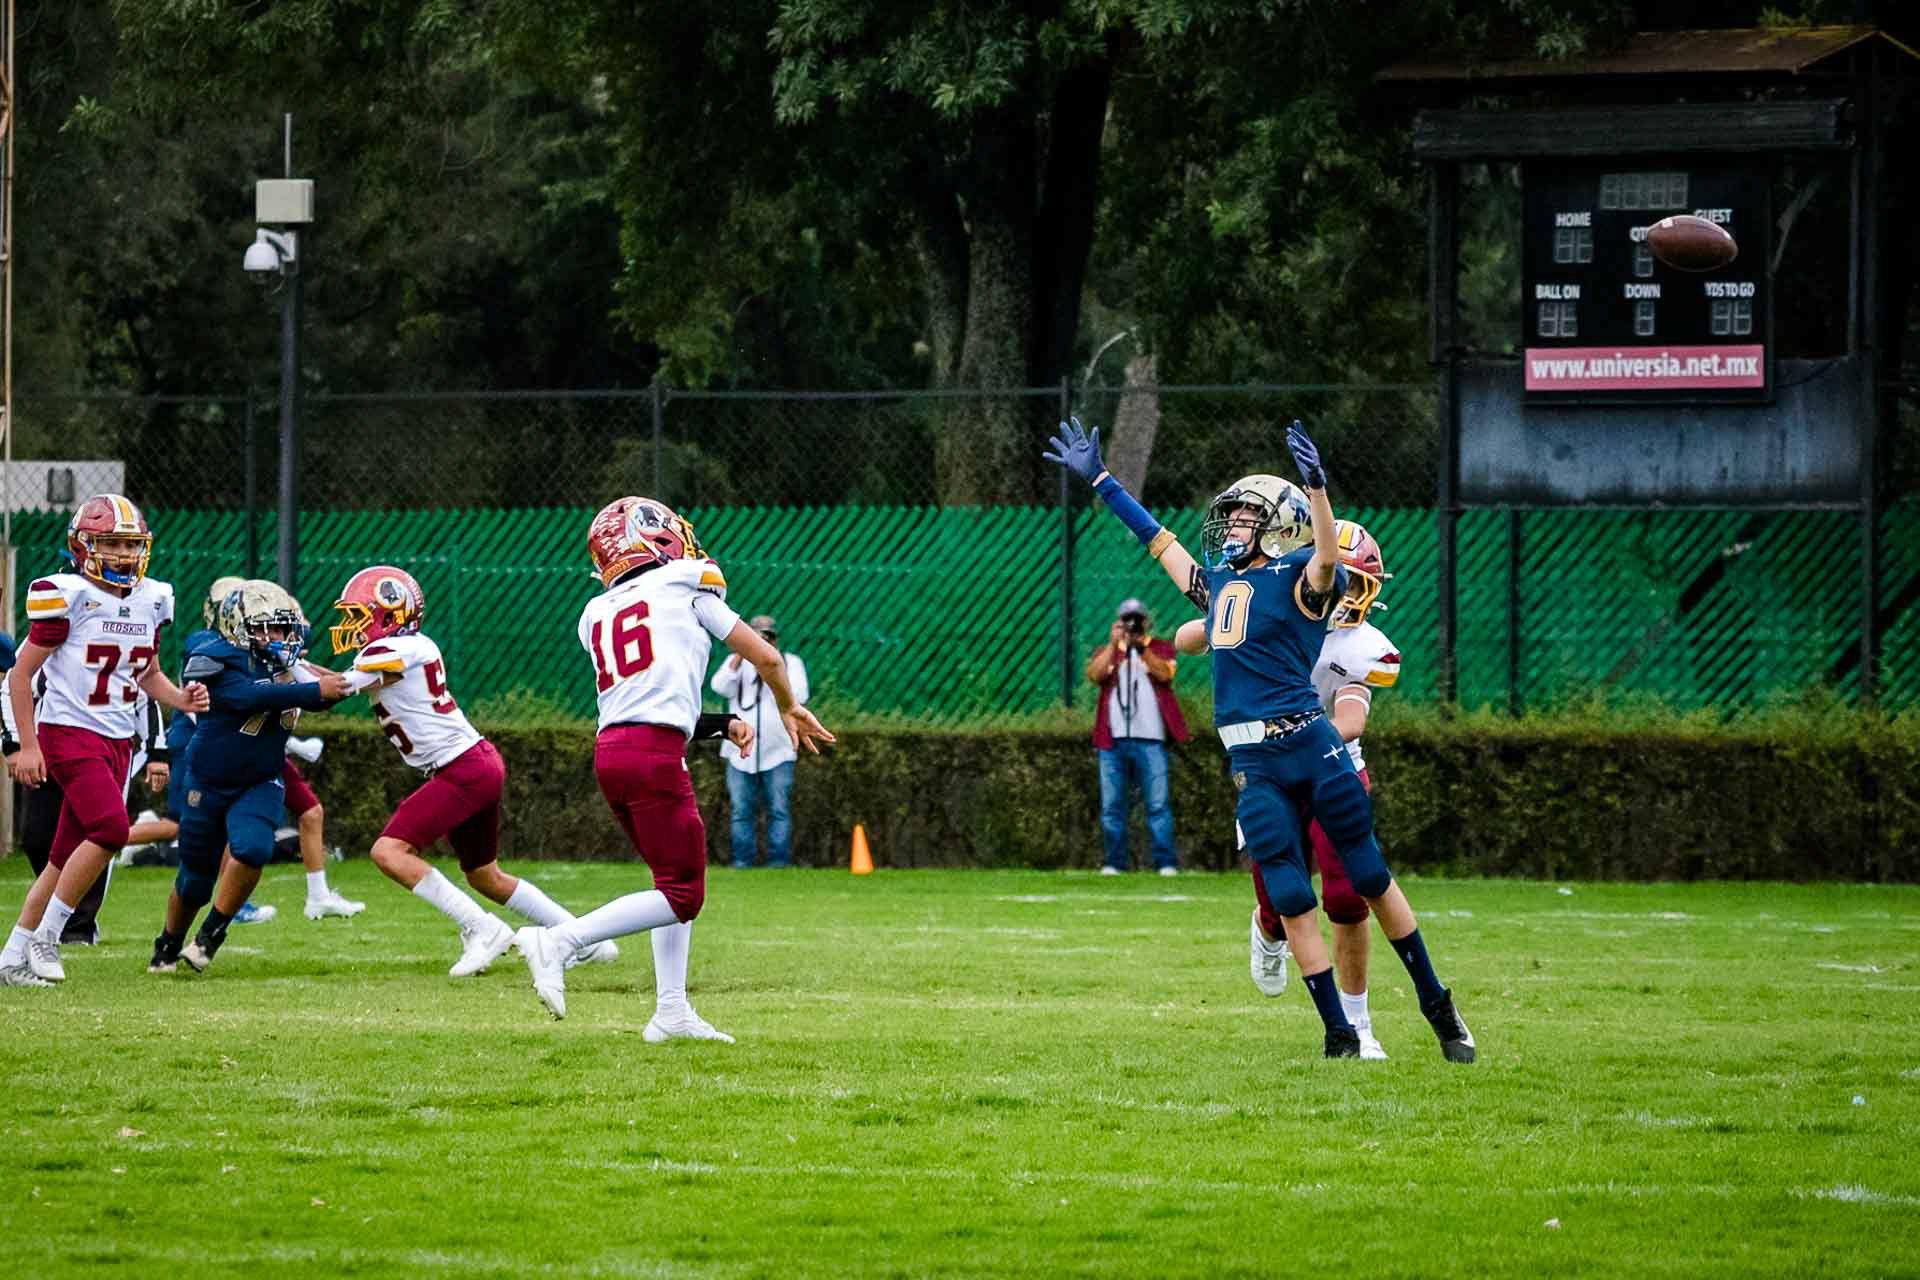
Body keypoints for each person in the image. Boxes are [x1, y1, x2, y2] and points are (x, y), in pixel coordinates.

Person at [1045, 418, 1474, 1063]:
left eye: (1248, 515)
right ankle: (1338, 1034)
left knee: (1367, 875)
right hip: (1252, 759)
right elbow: (1157, 541)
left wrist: (1317, 488)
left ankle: (1437, 1004)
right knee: (1290, 894)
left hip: (1309, 744)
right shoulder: (1220, 585)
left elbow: (1326, 559)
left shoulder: (1302, 577)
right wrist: (1104, 482)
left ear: (1279, 525)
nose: (1233, 524)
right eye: (1234, 514)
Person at [513, 496, 834, 1032]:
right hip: (652, 755)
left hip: (613, 751)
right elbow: (766, 656)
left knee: (668, 882)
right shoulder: (686, 584)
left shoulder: (597, 612)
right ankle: (560, 941)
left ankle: (671, 1010)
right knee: (684, 894)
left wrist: (720, 723)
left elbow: (649, 700)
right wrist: (787, 704)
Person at [328, 564, 612, 976]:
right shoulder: (407, 649)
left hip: (462, 769)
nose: (352, 626)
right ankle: (585, 939)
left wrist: (283, 684)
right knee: (484, 876)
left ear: (390, 613)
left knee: (388, 851)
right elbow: (337, 683)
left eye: (358, 615)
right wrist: (293, 672)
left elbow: (333, 691)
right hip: (473, 764)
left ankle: (482, 929)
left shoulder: (394, 650)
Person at [0, 495, 209, 988]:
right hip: (69, 732)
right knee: (112, 830)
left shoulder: (151, 598)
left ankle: (10, 958)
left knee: (62, 856)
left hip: (118, 739)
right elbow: (19, 676)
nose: (123, 554)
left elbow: (147, 673)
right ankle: (48, 937)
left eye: (131, 545)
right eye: (112, 544)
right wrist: (27, 746)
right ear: (83, 546)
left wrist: (180, 699)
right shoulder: (67, 595)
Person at [1247, 520, 1398, 1061]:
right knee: (1278, 901)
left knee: (1347, 898)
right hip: (1272, 774)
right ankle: (1266, 931)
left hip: (1335, 769)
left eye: (1354, 583)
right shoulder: (1274, 617)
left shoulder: (1362, 646)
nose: (1344, 593)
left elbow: (1352, 719)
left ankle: (1358, 1024)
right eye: (1339, 578)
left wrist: (1303, 738)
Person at [150, 580, 351, 974]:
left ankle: (209, 936)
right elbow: (245, 696)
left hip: (260, 777)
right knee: (194, 880)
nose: (277, 636)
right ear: (237, 626)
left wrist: (341, 678)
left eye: (282, 628)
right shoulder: (212, 652)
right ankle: (168, 944)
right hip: (208, 780)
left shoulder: (285, 662)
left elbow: (328, 694)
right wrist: (310, 688)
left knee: (253, 849)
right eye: (266, 628)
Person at [3, 664, 168, 942]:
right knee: (38, 839)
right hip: (52, 747)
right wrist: (15, 745)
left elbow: (146, 690)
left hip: (104, 750)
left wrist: (157, 749)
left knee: (103, 832)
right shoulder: (51, 643)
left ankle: (77, 927)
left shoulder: (129, 643)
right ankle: (32, 933)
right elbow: (14, 682)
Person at [1085, 597, 1189, 876]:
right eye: (1126, 620)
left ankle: (1165, 863)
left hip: (1151, 739)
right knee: (1112, 806)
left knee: (1158, 804)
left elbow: (1165, 675)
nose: (1132, 626)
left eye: (1137, 620)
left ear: (1146, 622)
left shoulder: (1160, 648)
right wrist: (1114, 645)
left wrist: (1141, 647)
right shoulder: (1108, 652)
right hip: (1112, 741)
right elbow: (1094, 674)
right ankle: (1114, 863)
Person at [711, 614, 810, 868]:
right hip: (740, 751)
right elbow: (719, 686)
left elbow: (800, 694)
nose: (763, 642)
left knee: (778, 809)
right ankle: (742, 861)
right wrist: (740, 655)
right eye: (756, 637)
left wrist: (772, 667)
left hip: (779, 750)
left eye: (768, 637)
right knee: (741, 810)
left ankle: (778, 863)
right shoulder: (736, 664)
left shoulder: (790, 662)